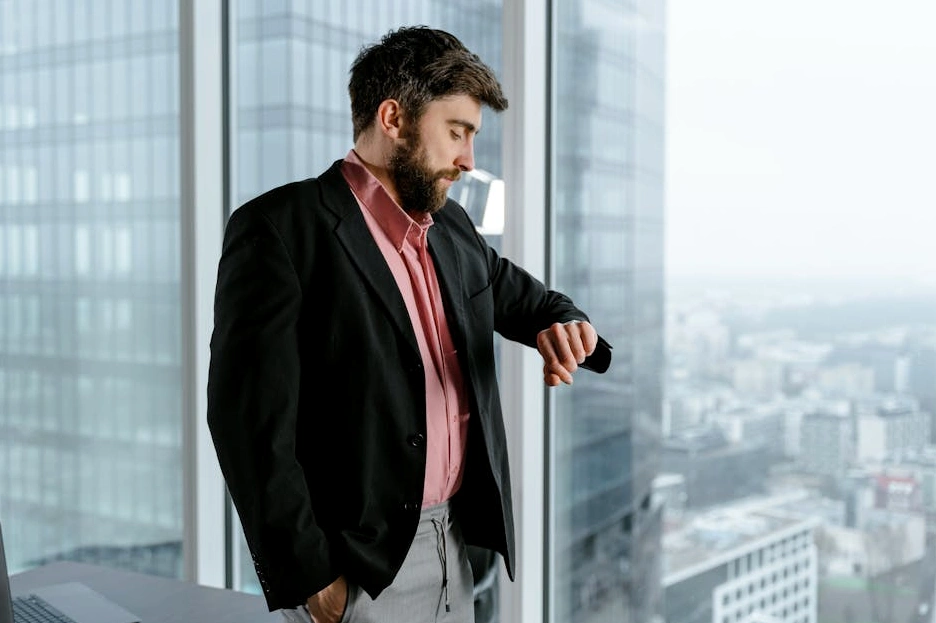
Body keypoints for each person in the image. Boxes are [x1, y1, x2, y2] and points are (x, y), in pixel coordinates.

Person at [207, 26, 611, 623]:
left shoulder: (451, 229)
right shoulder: (280, 229)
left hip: (456, 547)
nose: (468, 160)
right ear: (393, 118)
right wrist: (313, 578)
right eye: (457, 132)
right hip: (359, 568)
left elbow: (513, 291)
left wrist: (565, 321)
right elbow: (248, 422)